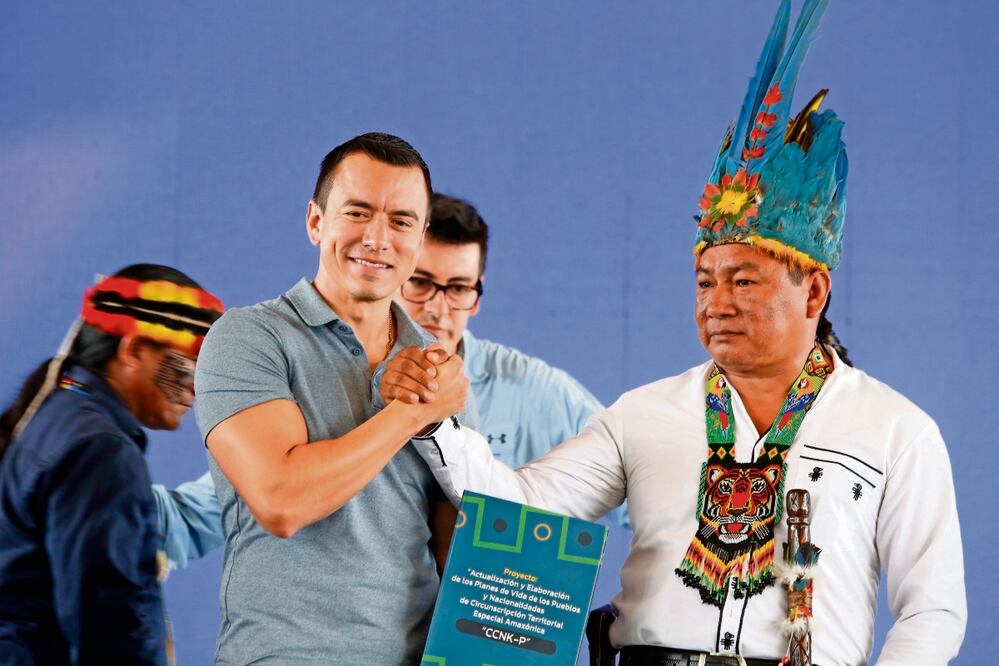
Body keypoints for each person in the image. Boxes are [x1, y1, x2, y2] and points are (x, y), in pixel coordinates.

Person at [394, 2, 967, 664]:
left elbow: (932, 608)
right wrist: (432, 422)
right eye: (704, 281)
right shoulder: (641, 415)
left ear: (812, 290)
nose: (716, 302)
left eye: (743, 282)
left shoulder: (896, 432)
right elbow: (523, 503)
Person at [153, 191, 613, 571]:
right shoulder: (317, 378)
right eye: (421, 283)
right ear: (389, 274)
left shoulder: (534, 389)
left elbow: (635, 470)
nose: (438, 308)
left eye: (458, 289)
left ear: (477, 295)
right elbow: (202, 513)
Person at [192, 132, 469, 664]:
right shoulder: (248, 337)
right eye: (358, 212)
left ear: (421, 236)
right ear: (316, 222)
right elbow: (282, 500)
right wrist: (414, 412)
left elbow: (455, 547)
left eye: (401, 221)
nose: (378, 238)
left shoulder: (437, 365)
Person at [0, 264, 224, 665]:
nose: (197, 387)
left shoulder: (58, 417)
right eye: (191, 364)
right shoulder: (99, 451)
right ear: (133, 350)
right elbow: (110, 628)